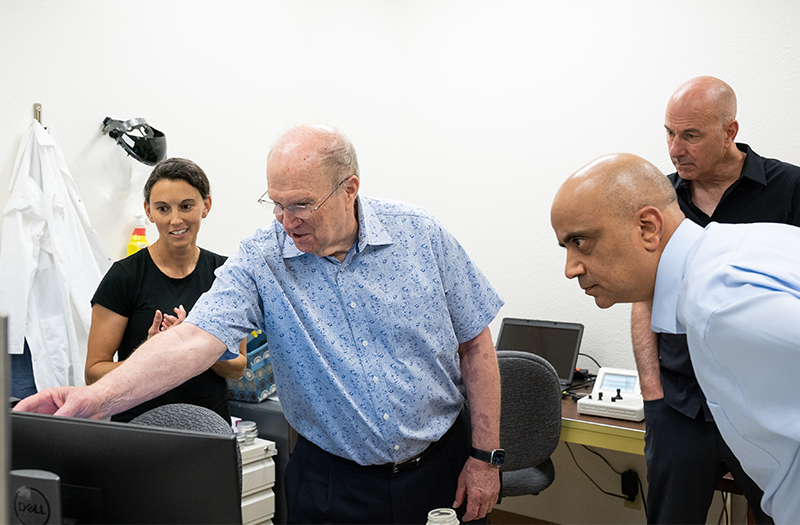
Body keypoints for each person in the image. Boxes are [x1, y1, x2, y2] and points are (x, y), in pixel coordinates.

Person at [16, 125, 504, 524]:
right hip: (331, 483)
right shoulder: (264, 258)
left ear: (350, 188)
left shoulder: (421, 235)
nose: (286, 220)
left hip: (439, 468)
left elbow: (476, 346)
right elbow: (193, 339)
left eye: (300, 204)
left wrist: (485, 459)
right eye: (275, 202)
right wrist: (94, 398)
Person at [550, 152, 800, 525]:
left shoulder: (714, 307)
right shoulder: (740, 243)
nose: (571, 269)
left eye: (581, 242)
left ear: (649, 227)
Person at [630, 76, 800, 525]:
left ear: (730, 132)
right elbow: (643, 299)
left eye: (690, 135)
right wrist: (653, 394)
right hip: (680, 406)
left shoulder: (790, 190)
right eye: (669, 132)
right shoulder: (658, 202)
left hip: (759, 408)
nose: (675, 149)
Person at [85, 157, 247, 422]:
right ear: (148, 211)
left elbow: (238, 367)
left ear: (205, 205)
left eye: (186, 206)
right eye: (163, 208)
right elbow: (93, 373)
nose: (175, 220)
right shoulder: (124, 277)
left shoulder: (226, 275)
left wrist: (197, 346)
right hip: (141, 431)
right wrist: (150, 354)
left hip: (208, 431)